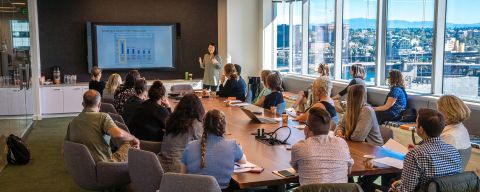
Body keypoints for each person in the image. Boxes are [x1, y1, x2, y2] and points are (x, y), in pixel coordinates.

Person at [390, 108, 462, 192]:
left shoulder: (415, 154)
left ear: (421, 129)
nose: (415, 125)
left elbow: (406, 190)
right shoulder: (454, 151)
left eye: (416, 123)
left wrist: (397, 187)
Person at [65, 90, 139, 162]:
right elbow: (118, 134)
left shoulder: (72, 122)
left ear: (83, 105)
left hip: (85, 165)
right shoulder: (103, 117)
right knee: (130, 143)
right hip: (106, 164)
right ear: (99, 104)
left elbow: (65, 149)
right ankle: (138, 169)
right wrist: (133, 138)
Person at [181, 109, 247, 189]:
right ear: (224, 126)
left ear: (203, 125)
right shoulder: (232, 146)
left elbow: (182, 174)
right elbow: (243, 162)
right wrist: (239, 149)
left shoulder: (190, 146)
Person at [291, 107, 354, 185]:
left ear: (306, 128)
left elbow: (297, 169)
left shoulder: (298, 147)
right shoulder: (341, 143)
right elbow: (349, 170)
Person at [160, 94, 205, 173]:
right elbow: (204, 144)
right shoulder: (194, 123)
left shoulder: (172, 120)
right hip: (178, 171)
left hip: (160, 166)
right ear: (198, 108)